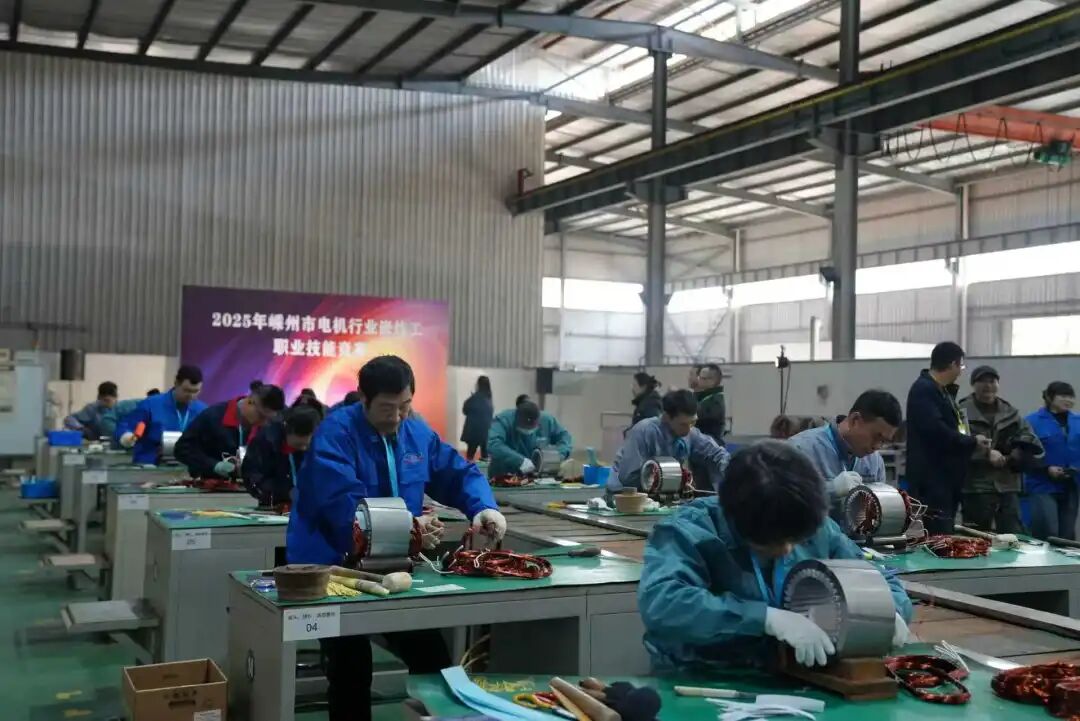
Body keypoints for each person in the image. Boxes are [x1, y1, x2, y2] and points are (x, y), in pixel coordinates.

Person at [286, 355, 504, 721]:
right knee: (351, 667)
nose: (397, 416)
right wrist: (409, 527)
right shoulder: (335, 435)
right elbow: (342, 506)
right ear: (363, 398)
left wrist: (483, 507)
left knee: (432, 658)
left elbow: (456, 472)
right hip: (334, 567)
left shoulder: (416, 433)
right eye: (387, 408)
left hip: (394, 564)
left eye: (405, 406)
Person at [637, 441, 912, 672]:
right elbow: (663, 603)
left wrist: (890, 611)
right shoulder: (689, 530)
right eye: (775, 541)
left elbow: (879, 579)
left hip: (796, 679)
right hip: (701, 678)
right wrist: (764, 619)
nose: (789, 549)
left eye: (796, 539)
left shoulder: (812, 525)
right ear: (735, 519)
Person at [905, 342, 989, 534]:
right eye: (961, 366)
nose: (960, 372)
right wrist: (972, 441)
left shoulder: (943, 392)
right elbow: (936, 431)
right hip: (932, 480)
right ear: (953, 364)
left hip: (946, 479)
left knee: (946, 532)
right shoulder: (924, 389)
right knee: (937, 535)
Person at [959, 367, 1042, 534]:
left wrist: (1014, 454)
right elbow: (958, 442)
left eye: (992, 381)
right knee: (975, 537)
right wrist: (986, 454)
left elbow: (1030, 438)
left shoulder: (1010, 412)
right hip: (975, 487)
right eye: (982, 381)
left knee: (1012, 536)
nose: (988, 385)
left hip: (1007, 485)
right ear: (973, 384)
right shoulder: (961, 412)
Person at [788, 390, 902, 504]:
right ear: (854, 420)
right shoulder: (801, 449)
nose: (877, 446)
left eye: (883, 441)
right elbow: (783, 501)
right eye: (876, 437)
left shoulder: (875, 462)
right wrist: (830, 489)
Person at [611, 389, 729, 494]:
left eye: (693, 422)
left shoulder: (690, 432)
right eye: (683, 424)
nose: (688, 429)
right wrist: (673, 479)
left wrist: (731, 470)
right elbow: (628, 477)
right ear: (666, 417)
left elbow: (716, 453)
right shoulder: (644, 432)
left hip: (660, 493)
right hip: (624, 494)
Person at [174, 383, 285, 479]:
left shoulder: (271, 426)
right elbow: (181, 449)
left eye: (269, 419)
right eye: (261, 416)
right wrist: (214, 465)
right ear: (250, 402)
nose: (265, 423)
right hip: (210, 489)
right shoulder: (213, 417)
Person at [117, 365, 208, 464]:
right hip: (150, 466)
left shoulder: (202, 410)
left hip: (187, 466)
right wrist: (127, 437)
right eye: (186, 390)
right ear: (176, 384)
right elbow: (125, 427)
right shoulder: (151, 404)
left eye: (196, 391)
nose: (191, 396)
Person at [1024, 382, 1080, 540]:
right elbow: (1024, 454)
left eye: (1071, 396)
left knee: (1067, 535)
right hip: (1042, 484)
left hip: (1071, 484)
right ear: (1049, 397)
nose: (1068, 400)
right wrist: (1046, 468)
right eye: (1063, 396)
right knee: (1047, 531)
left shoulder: (1077, 421)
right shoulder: (1032, 421)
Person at [241, 403, 322, 507]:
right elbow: (253, 478)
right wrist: (286, 492)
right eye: (299, 444)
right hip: (274, 506)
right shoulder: (265, 442)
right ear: (288, 431)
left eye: (308, 445)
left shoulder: (321, 443)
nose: (304, 448)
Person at [487, 400, 573, 477]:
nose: (528, 430)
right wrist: (520, 461)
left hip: (536, 476)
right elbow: (493, 444)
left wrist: (557, 456)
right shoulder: (503, 421)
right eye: (524, 426)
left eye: (531, 427)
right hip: (504, 476)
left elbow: (565, 438)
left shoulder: (547, 421)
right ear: (516, 419)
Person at [461, 376, 494, 461]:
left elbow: (465, 410)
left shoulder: (474, 398)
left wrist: (472, 397)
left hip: (473, 431)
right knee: (485, 457)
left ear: (478, 385)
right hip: (486, 432)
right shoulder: (489, 398)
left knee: (470, 457)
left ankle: (469, 469)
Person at [695, 363, 726, 445]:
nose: (698, 381)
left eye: (702, 378)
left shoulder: (715, 401)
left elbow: (696, 415)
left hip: (711, 445)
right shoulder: (705, 397)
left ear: (712, 381)